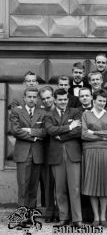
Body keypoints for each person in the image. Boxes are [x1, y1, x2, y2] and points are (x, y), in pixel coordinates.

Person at [44, 88, 83, 227]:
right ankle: (63, 217)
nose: (63, 102)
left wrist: (61, 136)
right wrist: (68, 127)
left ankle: (77, 219)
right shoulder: (48, 115)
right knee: (60, 188)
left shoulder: (76, 111)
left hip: (73, 153)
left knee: (75, 188)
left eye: (65, 99)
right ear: (54, 99)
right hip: (57, 155)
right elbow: (50, 130)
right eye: (60, 99)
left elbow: (78, 131)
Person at [81, 89, 107, 226]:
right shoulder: (86, 115)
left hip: (106, 152)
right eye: (99, 100)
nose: (101, 103)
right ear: (93, 100)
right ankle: (96, 217)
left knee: (104, 184)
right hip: (90, 152)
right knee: (92, 183)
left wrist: (95, 132)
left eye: (104, 101)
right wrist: (103, 136)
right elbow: (84, 134)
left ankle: (103, 217)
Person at [10, 87, 47, 209]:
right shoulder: (16, 111)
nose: (31, 99)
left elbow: (45, 131)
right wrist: (34, 138)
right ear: (24, 98)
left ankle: (30, 215)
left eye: (34, 97)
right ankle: (22, 216)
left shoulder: (42, 112)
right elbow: (15, 131)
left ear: (37, 99)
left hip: (37, 154)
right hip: (23, 153)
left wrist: (31, 131)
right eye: (29, 97)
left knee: (33, 186)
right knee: (23, 185)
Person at [39, 86, 59, 223]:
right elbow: (41, 131)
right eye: (44, 98)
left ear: (53, 97)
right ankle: (50, 210)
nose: (46, 101)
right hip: (45, 151)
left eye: (48, 97)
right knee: (48, 183)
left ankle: (60, 211)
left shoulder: (61, 110)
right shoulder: (40, 113)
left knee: (61, 183)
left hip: (60, 149)